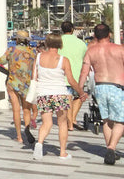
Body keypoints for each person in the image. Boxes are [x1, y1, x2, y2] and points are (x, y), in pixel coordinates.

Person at [32, 32, 82, 160]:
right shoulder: (63, 60)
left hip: (43, 94)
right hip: (60, 94)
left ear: (47, 43)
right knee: (62, 123)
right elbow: (71, 80)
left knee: (46, 123)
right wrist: (81, 92)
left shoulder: (38, 58)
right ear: (60, 44)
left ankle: (39, 143)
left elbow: (34, 78)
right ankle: (63, 152)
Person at [79, 22, 124, 164]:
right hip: (117, 87)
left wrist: (80, 91)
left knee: (106, 121)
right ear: (109, 34)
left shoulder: (90, 51)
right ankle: (111, 148)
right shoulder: (120, 49)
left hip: (100, 87)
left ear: (94, 36)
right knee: (120, 121)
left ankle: (110, 150)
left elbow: (84, 72)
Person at [0, 30, 37, 145]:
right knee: (26, 109)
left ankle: (19, 136)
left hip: (13, 83)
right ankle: (27, 129)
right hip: (27, 84)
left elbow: (0, 61)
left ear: (17, 39)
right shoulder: (33, 52)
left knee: (16, 109)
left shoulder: (11, 50)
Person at [59, 21, 88, 129]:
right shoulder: (81, 43)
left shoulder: (58, 42)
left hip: (62, 75)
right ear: (72, 30)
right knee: (80, 97)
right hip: (78, 75)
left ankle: (70, 122)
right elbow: (86, 58)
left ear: (62, 30)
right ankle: (72, 120)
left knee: (68, 99)